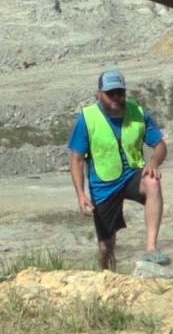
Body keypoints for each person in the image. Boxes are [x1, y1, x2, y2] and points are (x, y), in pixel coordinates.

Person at [66, 70, 166, 271]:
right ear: (99, 94)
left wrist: (153, 163)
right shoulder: (87, 118)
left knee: (152, 182)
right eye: (110, 93)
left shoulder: (138, 114)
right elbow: (76, 159)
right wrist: (81, 195)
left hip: (132, 175)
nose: (115, 98)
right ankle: (106, 274)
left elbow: (160, 146)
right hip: (103, 184)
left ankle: (151, 249)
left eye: (119, 93)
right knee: (105, 247)